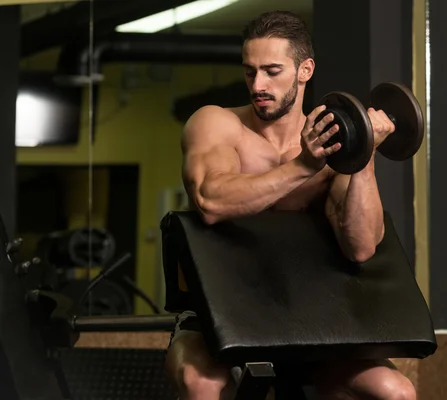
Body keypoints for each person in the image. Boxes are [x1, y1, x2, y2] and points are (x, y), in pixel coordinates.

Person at [165, 10, 417, 400]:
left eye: (272, 71)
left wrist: (363, 153)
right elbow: (211, 200)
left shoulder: (333, 143)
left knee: (394, 391)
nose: (258, 85)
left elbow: (362, 246)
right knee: (202, 383)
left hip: (309, 318)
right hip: (219, 317)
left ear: (305, 70)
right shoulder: (216, 124)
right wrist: (303, 166)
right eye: (250, 72)